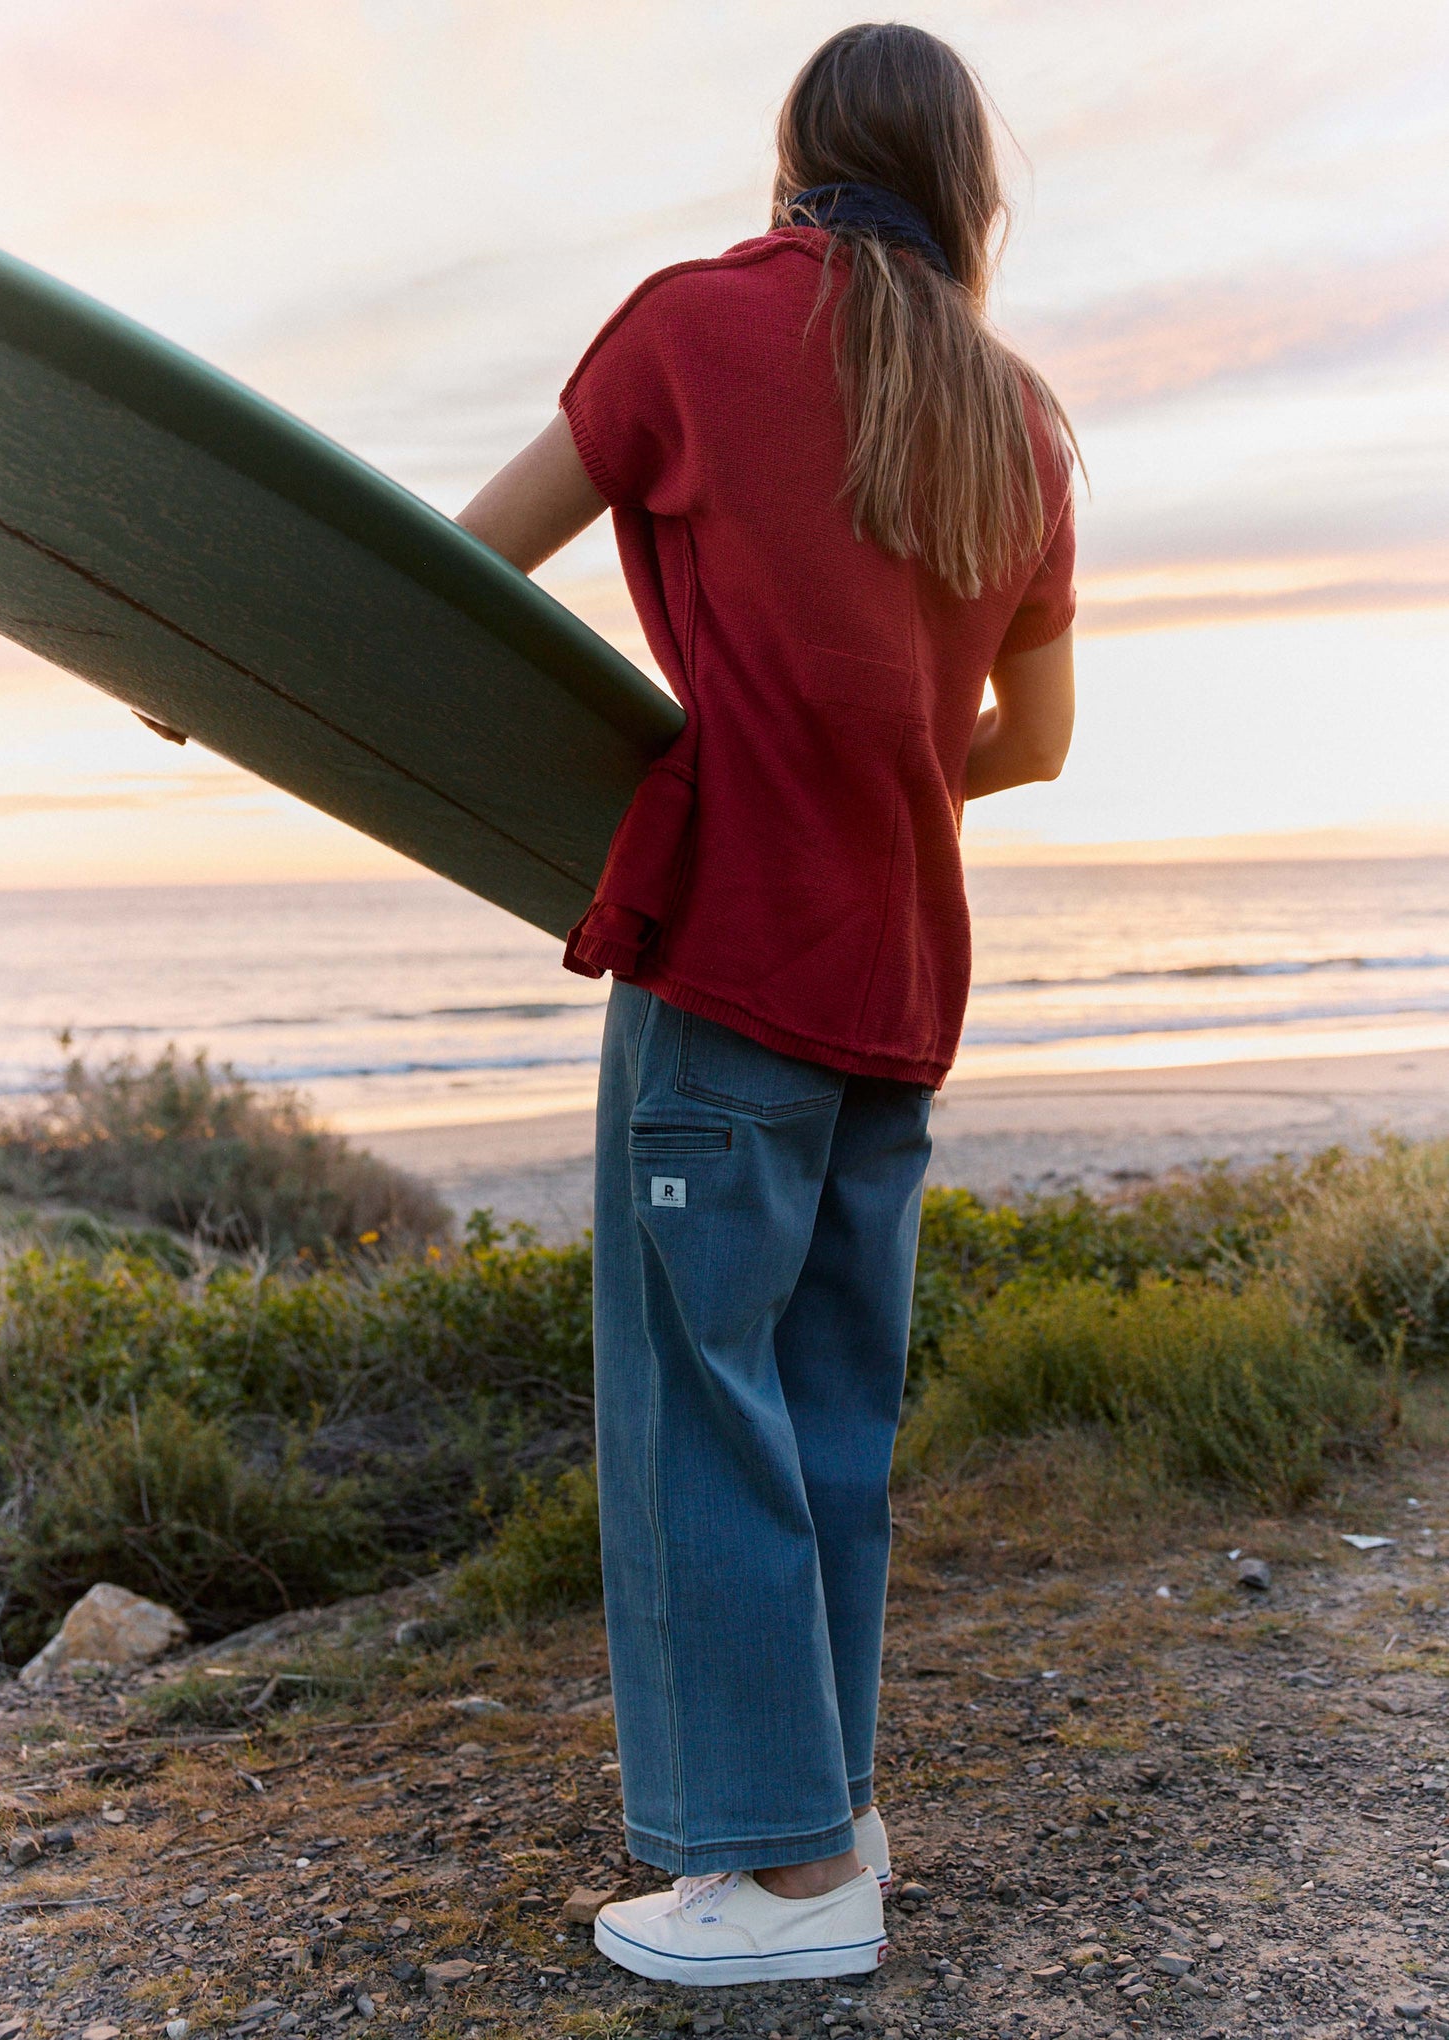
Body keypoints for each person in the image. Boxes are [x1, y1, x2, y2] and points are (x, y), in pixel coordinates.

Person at [456, 20, 1079, 1989]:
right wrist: (883, 779)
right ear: (967, 186)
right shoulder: (1019, 423)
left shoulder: (698, 328)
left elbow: (454, 579)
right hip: (902, 977)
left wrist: (216, 652)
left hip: (731, 958)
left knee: (694, 1416)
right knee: (821, 1418)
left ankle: (780, 1885)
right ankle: (828, 1817)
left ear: (797, 153)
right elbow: (1034, 745)